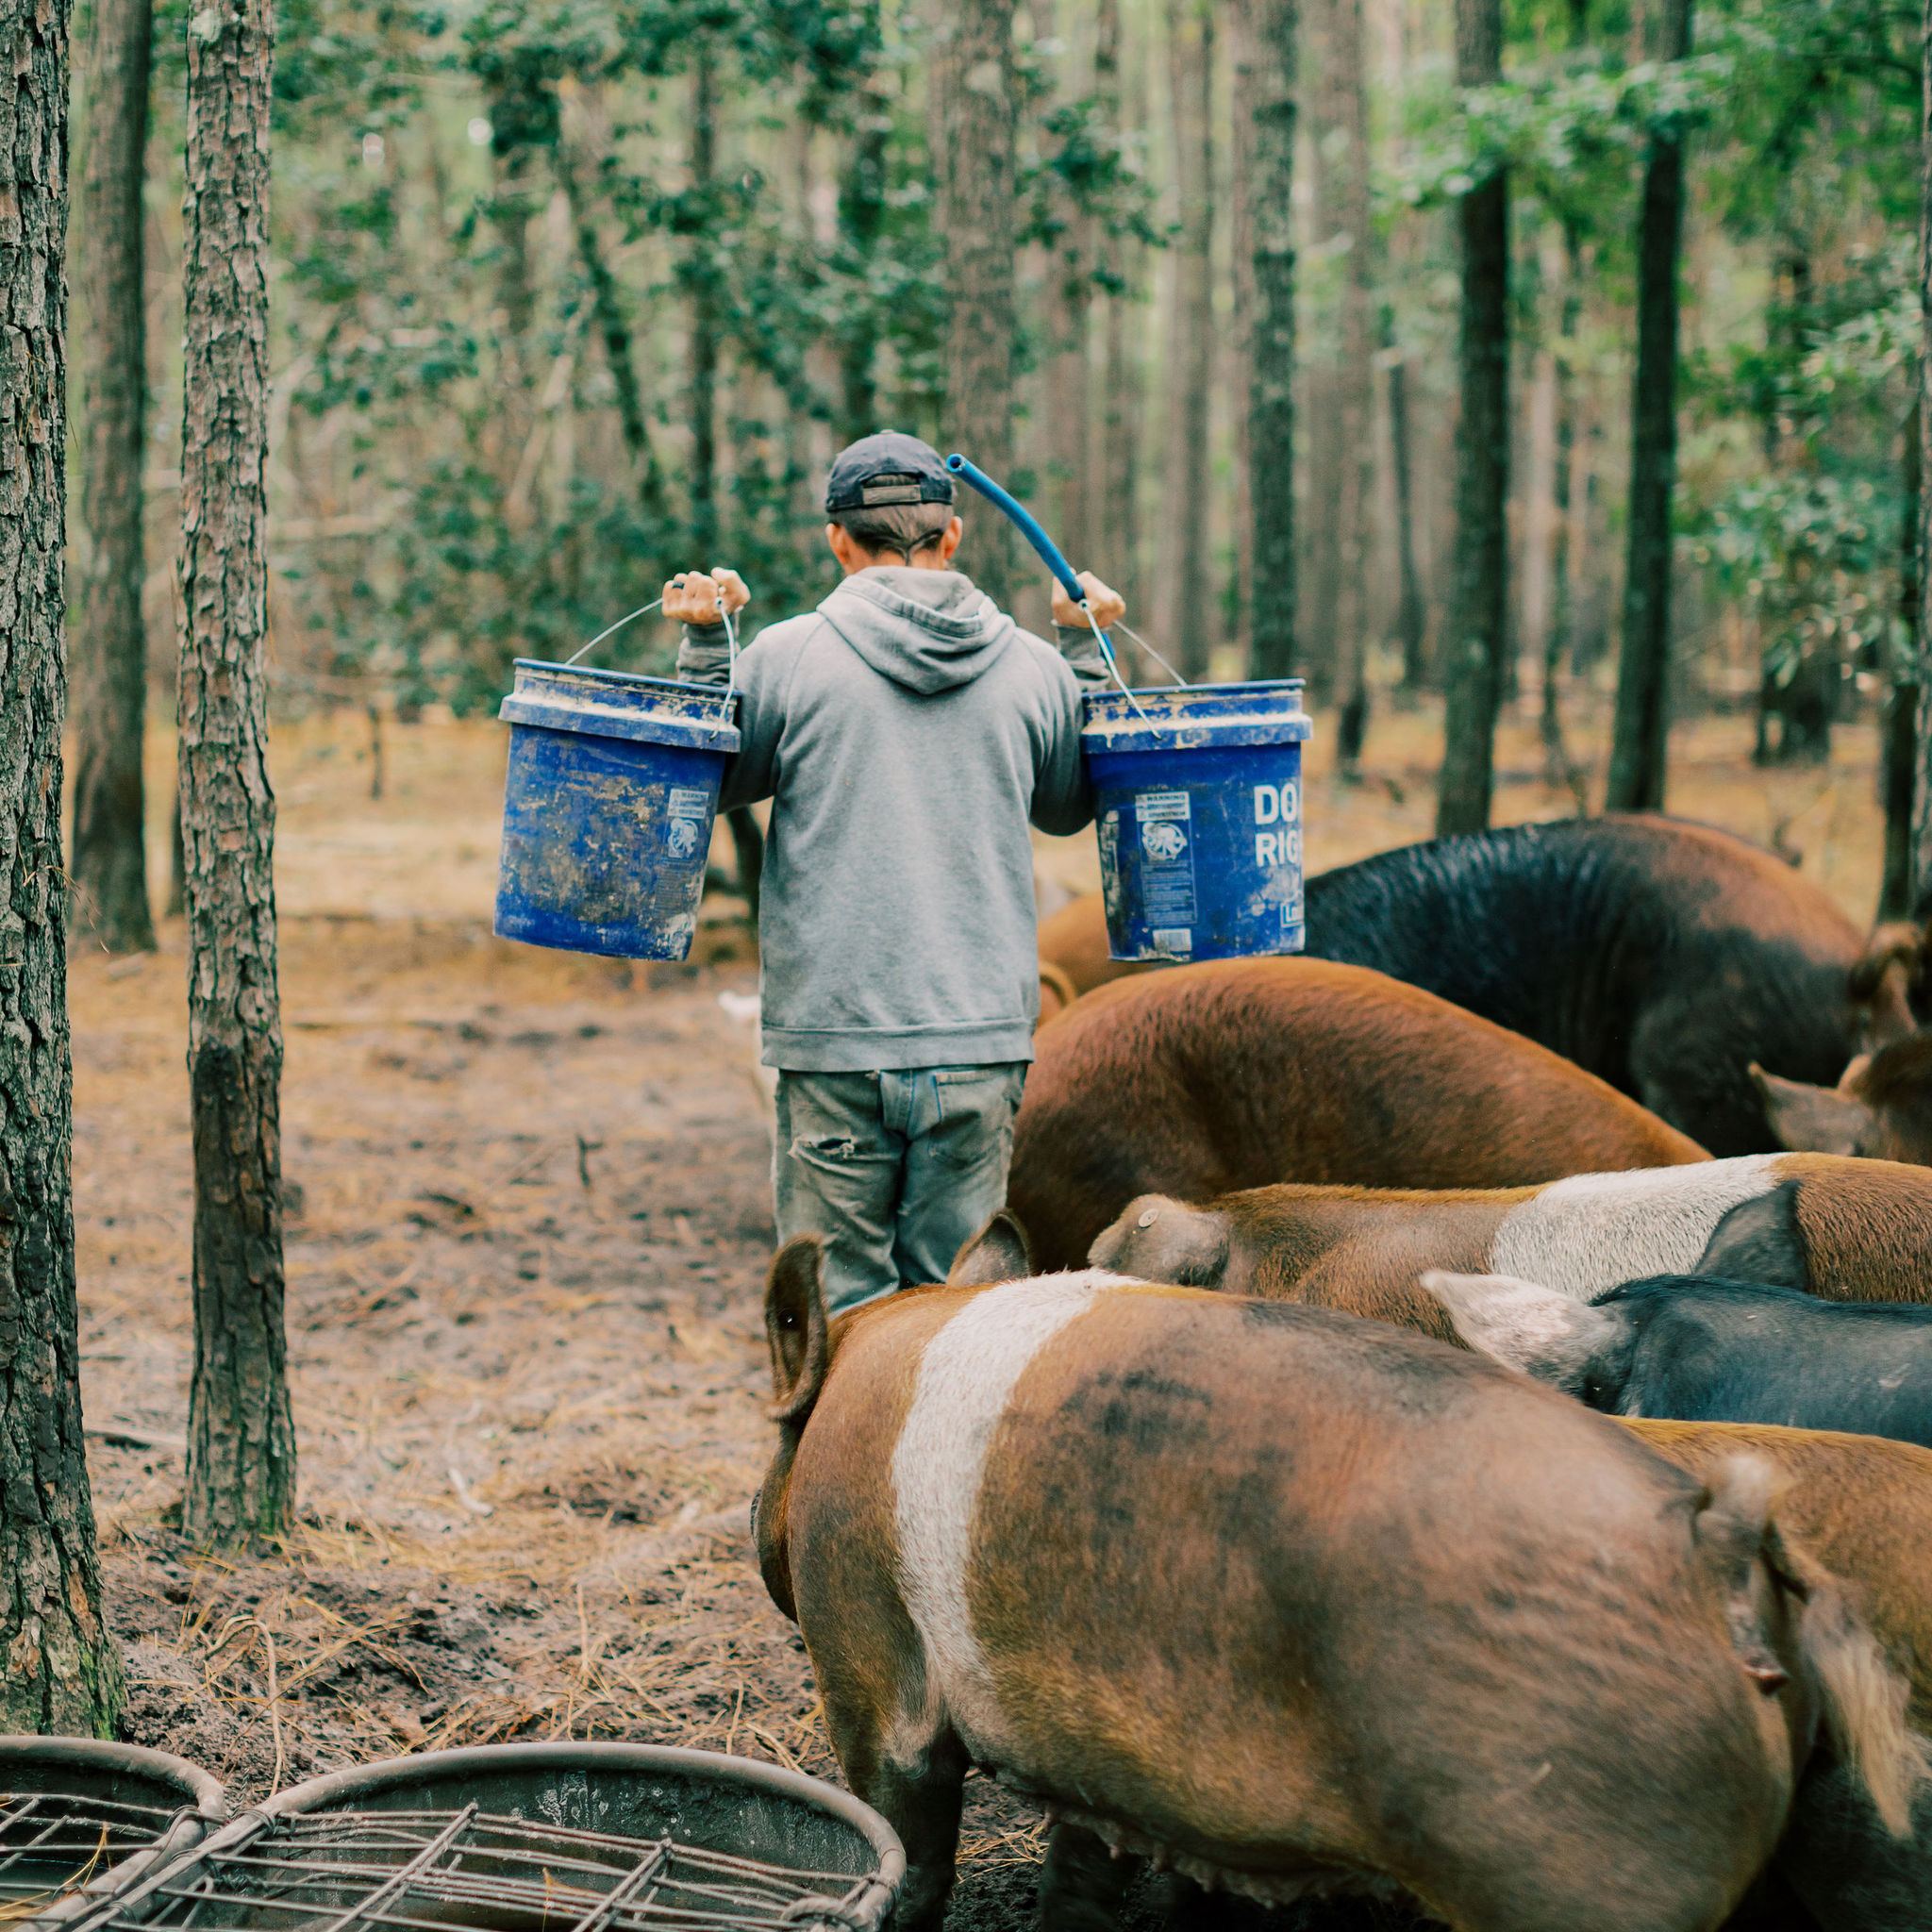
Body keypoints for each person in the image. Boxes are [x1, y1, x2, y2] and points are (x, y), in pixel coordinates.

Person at [664, 431, 1125, 1313]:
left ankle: (838, 1453)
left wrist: (707, 653)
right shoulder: (1031, 666)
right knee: (957, 1316)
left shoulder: (787, 657)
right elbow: (1072, 805)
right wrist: (1083, 653)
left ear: (838, 543)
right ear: (952, 540)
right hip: (980, 1045)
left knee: (838, 1313)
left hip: (833, 1040)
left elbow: (709, 785)